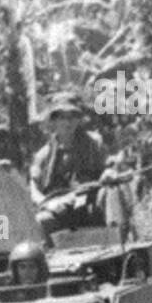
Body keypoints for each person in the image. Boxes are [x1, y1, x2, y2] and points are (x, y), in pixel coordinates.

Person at [29, 91, 114, 236]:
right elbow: (34, 190)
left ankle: (118, 242)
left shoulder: (94, 143)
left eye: (73, 117)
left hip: (91, 205)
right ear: (54, 121)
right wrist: (48, 204)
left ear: (78, 119)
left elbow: (109, 168)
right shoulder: (43, 155)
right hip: (60, 209)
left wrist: (109, 174)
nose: (68, 122)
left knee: (112, 193)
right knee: (38, 223)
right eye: (62, 117)